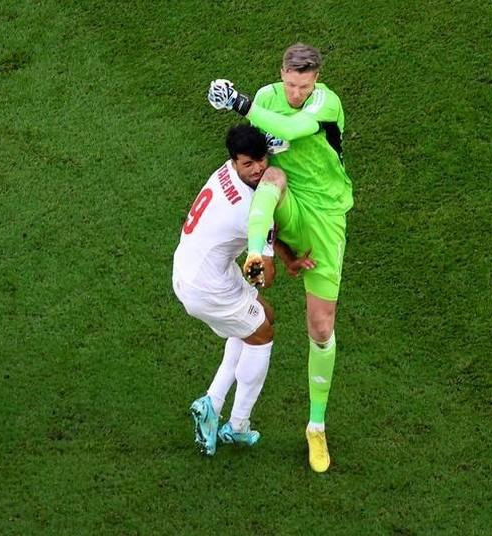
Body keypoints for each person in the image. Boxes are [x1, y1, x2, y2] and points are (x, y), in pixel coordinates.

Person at [207, 43, 352, 472]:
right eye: (291, 84)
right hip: (290, 201)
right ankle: (257, 253)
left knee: (321, 328)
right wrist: (247, 113)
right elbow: (254, 146)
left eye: (304, 86)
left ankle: (316, 427)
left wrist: (239, 103)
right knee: (270, 176)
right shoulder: (270, 97)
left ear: (316, 81)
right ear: (282, 74)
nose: (296, 94)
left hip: (326, 217)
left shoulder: (327, 104)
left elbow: (298, 128)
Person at [172, 124, 313, 456]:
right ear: (234, 161)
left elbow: (265, 230)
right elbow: (267, 277)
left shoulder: (227, 174)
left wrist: (289, 257)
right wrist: (274, 266)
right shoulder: (249, 211)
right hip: (207, 288)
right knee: (262, 334)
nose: (258, 169)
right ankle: (237, 425)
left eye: (261, 160)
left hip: (194, 267)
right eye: (248, 164)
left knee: (263, 315)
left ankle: (211, 404)